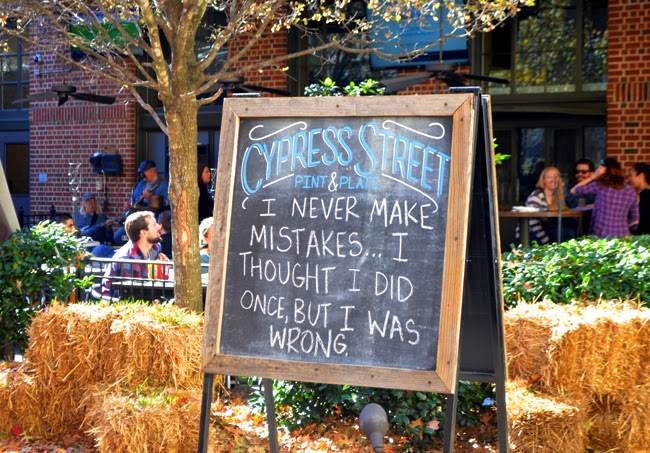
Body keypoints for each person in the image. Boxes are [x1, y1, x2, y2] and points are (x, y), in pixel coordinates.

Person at [102, 210, 171, 299]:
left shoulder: (155, 247)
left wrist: (163, 269)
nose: (159, 226)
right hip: (118, 301)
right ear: (143, 233)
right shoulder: (127, 258)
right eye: (154, 225)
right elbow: (132, 294)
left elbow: (154, 283)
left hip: (146, 295)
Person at [570, 158, 639, 238]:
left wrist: (593, 176)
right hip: (622, 235)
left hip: (601, 235)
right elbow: (635, 220)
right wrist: (621, 225)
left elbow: (574, 190)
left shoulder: (600, 185)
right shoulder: (630, 191)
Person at [114, 160, 169, 245]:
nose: (141, 174)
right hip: (138, 219)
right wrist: (129, 203)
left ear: (152, 171)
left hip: (153, 221)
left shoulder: (163, 185)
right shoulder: (141, 184)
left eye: (143, 172)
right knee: (118, 236)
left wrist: (150, 198)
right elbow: (134, 198)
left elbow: (167, 203)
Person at [523, 166, 569, 245]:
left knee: (568, 233)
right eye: (549, 177)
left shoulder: (558, 196)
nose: (553, 180)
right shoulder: (536, 196)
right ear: (543, 180)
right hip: (530, 233)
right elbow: (533, 221)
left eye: (556, 177)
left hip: (548, 231)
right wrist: (546, 242)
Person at [628, 162, 650, 235]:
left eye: (630, 175)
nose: (628, 179)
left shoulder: (646, 196)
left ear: (641, 176)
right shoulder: (642, 195)